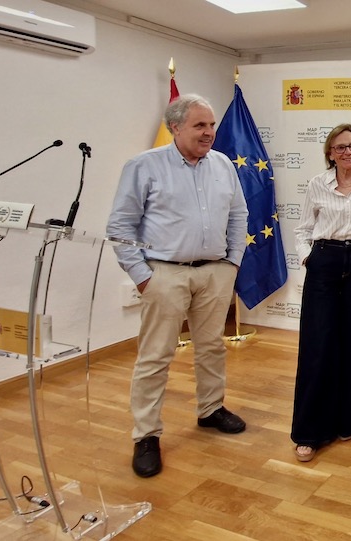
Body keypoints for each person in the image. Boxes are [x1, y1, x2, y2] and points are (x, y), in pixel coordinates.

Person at [106, 93, 249, 478]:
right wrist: (142, 276)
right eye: (200, 125)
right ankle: (146, 435)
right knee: (155, 356)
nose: (209, 132)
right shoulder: (144, 166)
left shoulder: (222, 165)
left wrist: (232, 262)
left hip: (215, 272)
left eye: (212, 124)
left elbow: (239, 215)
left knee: (211, 347)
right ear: (175, 127)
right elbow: (120, 227)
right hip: (164, 273)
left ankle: (210, 409)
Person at [291, 123, 351, 462]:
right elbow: (303, 228)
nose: (348, 152)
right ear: (330, 154)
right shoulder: (317, 184)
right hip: (324, 262)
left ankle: (346, 421)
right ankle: (309, 432)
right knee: (317, 346)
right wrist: (309, 258)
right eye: (340, 148)